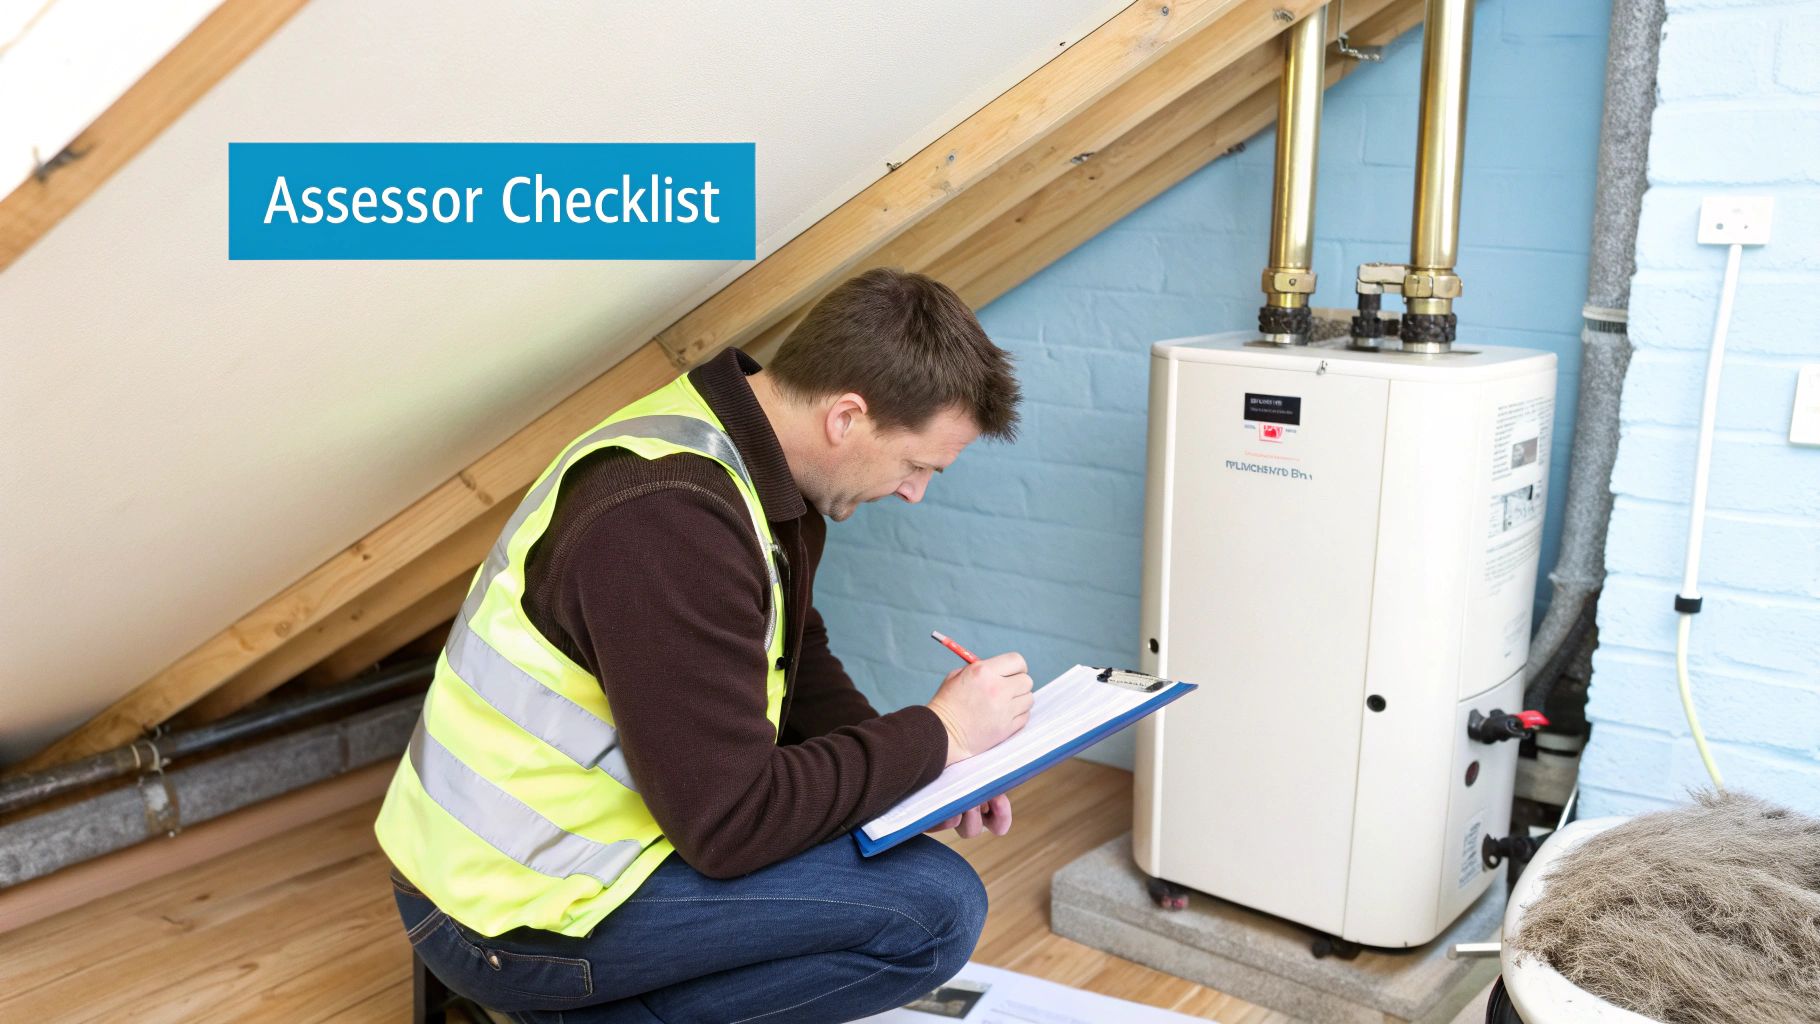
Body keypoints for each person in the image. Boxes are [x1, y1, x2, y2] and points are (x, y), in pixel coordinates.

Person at [375, 267, 1033, 1023]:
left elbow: (794, 650)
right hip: (504, 913)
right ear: (846, 417)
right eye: (917, 465)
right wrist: (937, 732)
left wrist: (926, 773)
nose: (915, 492)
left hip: (567, 856)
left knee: (905, 870)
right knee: (934, 911)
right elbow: (729, 825)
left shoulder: (746, 453)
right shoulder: (666, 521)